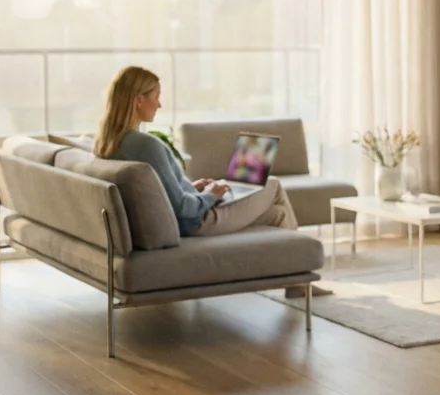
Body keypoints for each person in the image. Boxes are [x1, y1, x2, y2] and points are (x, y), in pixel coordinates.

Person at [93, 66, 329, 297]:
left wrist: (194, 188)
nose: (160, 104)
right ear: (138, 101)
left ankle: (297, 283)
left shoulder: (111, 143)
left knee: (278, 214)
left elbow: (162, 194)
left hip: (191, 212)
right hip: (198, 222)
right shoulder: (146, 145)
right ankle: (298, 282)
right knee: (273, 185)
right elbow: (182, 210)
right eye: (156, 97)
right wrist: (212, 195)